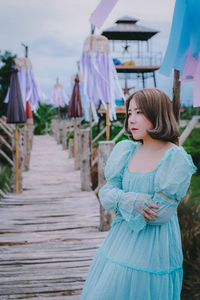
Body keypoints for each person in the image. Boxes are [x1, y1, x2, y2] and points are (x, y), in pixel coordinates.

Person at [80, 88, 197, 300]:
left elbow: (160, 214)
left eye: (140, 113)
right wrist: (130, 200)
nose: (132, 120)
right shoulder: (127, 151)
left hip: (153, 247)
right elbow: (106, 194)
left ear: (157, 114)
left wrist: (120, 202)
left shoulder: (175, 158)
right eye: (130, 113)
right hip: (119, 240)